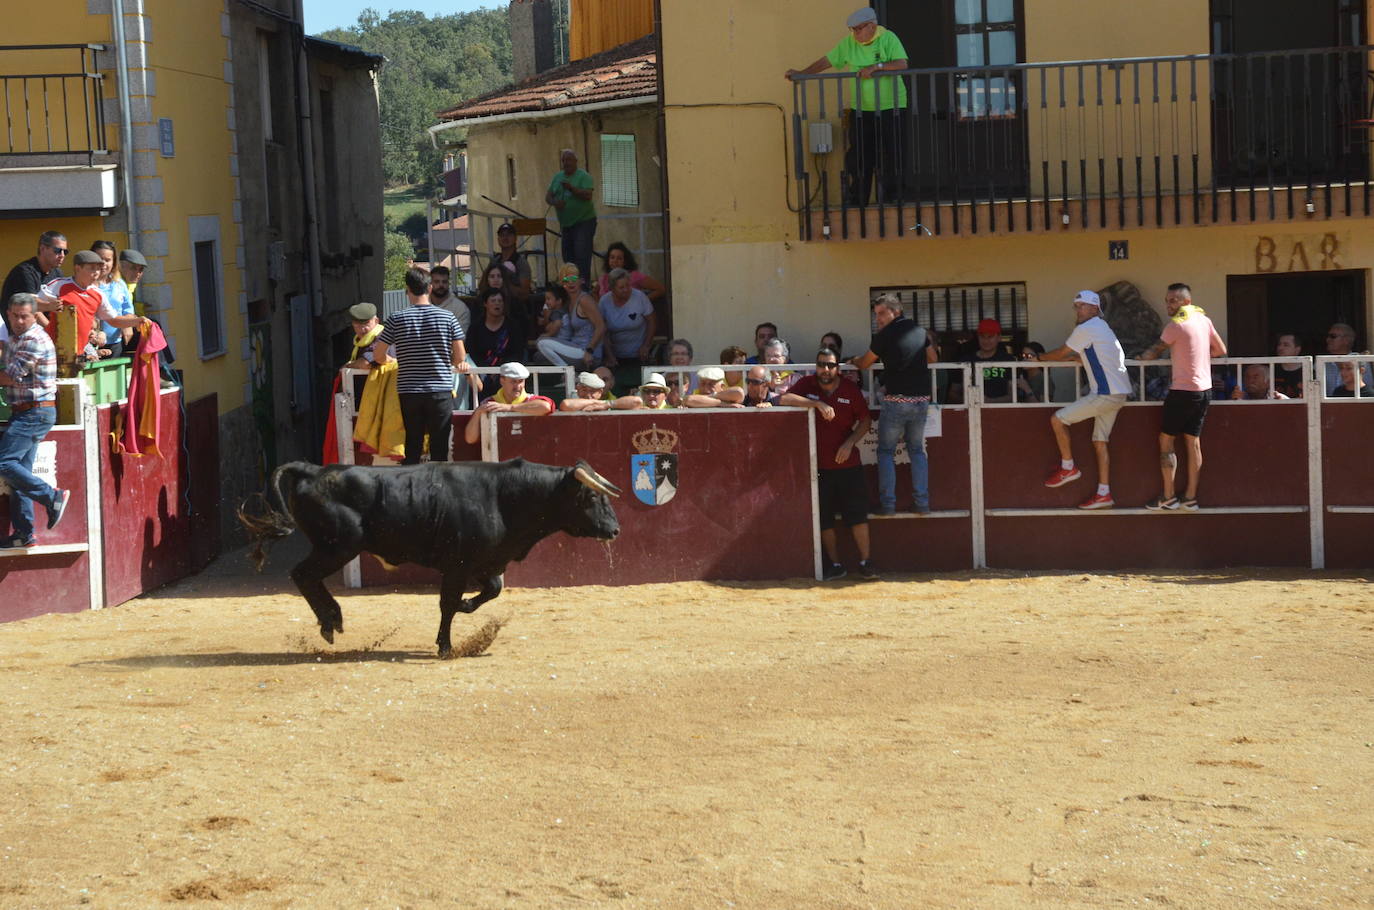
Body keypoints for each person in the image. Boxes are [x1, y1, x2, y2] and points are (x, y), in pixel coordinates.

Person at [785, 7, 908, 206]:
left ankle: (894, 198)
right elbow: (827, 61)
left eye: (859, 29)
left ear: (872, 25)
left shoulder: (888, 38)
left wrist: (877, 67)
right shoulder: (849, 43)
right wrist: (802, 73)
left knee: (892, 153)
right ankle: (858, 199)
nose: (856, 34)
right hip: (861, 109)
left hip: (891, 107)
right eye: (853, 30)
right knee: (858, 155)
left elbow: (901, 64)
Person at [780, 347, 877, 580]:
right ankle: (835, 565)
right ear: (816, 366)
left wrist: (850, 442)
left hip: (848, 465)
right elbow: (784, 398)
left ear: (838, 368)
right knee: (824, 519)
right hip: (819, 468)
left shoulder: (849, 390)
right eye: (822, 364)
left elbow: (865, 421)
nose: (826, 369)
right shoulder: (807, 384)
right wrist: (816, 405)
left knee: (857, 515)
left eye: (831, 365)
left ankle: (866, 562)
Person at [1037, 290, 1132, 510]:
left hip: (1105, 393)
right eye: (1077, 305)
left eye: (1083, 305)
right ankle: (1104, 493)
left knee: (1058, 420)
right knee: (1099, 442)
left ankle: (1068, 467)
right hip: (1119, 394)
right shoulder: (1102, 328)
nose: (1078, 309)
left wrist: (1039, 359)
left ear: (1095, 309)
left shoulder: (1087, 328)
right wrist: (1068, 359)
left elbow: (1061, 352)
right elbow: (1084, 356)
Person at [1139, 283, 1226, 512]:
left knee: (1166, 441)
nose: (1169, 305)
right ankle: (1190, 498)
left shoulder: (1175, 325)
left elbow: (1153, 353)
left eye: (1173, 301)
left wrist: (1141, 357)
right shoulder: (1204, 321)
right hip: (1204, 391)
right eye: (1167, 300)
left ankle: (1168, 497)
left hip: (1182, 392)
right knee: (1193, 442)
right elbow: (1220, 351)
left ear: (1186, 302)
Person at [373, 266, 470, 465]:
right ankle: (437, 489)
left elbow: (378, 355)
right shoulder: (448, 317)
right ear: (430, 287)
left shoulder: (396, 318)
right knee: (439, 447)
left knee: (413, 444)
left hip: (409, 391)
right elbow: (460, 357)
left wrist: (390, 361)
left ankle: (412, 489)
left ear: (407, 290)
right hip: (440, 390)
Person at [850, 294, 936, 515]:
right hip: (921, 400)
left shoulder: (884, 335)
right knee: (917, 450)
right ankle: (922, 503)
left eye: (881, 313)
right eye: (876, 314)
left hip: (897, 400)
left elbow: (866, 364)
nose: (877, 319)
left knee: (886, 451)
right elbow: (933, 358)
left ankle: (888, 505)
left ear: (895, 311)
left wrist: (854, 361)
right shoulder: (919, 331)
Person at [0, 294, 70, 548]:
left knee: (4, 462)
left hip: (35, 412)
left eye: (25, 316)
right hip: (27, 411)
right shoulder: (16, 338)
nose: (19, 321)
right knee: (18, 472)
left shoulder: (33, 338)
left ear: (34, 316)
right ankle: (24, 533)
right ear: (8, 313)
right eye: (15, 316)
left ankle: (52, 497)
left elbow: (10, 377)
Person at [36, 250, 146, 357]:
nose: (97, 272)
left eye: (98, 268)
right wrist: (47, 306)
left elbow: (113, 320)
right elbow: (30, 303)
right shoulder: (59, 285)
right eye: (92, 268)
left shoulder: (97, 293)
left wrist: (137, 321)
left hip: (81, 353)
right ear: (78, 268)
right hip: (54, 350)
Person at [462, 361, 554, 444]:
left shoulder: (532, 400)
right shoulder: (489, 402)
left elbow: (546, 407)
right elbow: (470, 439)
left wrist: (509, 408)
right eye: (513, 382)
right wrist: (478, 413)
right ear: (502, 380)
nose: (518, 386)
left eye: (521, 381)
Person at [535, 264, 606, 370]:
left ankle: (567, 375)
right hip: (575, 346)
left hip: (588, 351)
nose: (570, 283)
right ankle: (566, 374)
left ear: (581, 280)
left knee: (541, 343)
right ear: (562, 284)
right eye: (566, 280)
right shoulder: (570, 302)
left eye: (573, 278)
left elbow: (601, 327)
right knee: (539, 356)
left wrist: (589, 350)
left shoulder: (584, 299)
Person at [599, 267, 656, 389]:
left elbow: (651, 322)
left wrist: (646, 346)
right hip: (615, 356)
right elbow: (601, 331)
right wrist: (609, 355)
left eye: (628, 286)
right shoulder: (604, 302)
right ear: (612, 288)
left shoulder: (640, 297)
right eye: (621, 287)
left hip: (639, 355)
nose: (626, 290)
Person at [545, 148, 597, 284]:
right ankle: (571, 287)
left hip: (583, 222)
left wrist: (571, 189)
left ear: (575, 161)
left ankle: (583, 288)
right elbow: (548, 196)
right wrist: (555, 202)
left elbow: (588, 195)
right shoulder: (557, 177)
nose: (566, 163)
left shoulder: (583, 176)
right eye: (563, 160)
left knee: (582, 256)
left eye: (569, 160)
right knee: (568, 258)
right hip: (566, 224)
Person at [466, 287, 527, 398]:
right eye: (493, 301)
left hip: (507, 373)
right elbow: (471, 352)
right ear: (485, 304)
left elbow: (517, 352)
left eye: (500, 301)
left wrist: (500, 369)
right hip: (480, 374)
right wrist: (486, 370)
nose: (497, 304)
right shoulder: (475, 327)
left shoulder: (513, 326)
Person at [1, 230, 66, 332]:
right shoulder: (24, 272)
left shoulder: (57, 273)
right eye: (57, 250)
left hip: (40, 331)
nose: (62, 255)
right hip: (17, 334)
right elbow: (31, 305)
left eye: (65, 252)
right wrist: (53, 333)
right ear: (43, 248)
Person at [90, 241, 135, 356]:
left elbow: (128, 311)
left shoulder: (119, 284)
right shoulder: (85, 284)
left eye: (108, 260)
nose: (103, 263)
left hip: (115, 343)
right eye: (100, 259)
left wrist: (127, 324)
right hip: (91, 345)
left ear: (114, 262)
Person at [958, 318, 1013, 403]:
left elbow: (1013, 395)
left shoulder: (1008, 360)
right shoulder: (966, 361)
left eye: (990, 336)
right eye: (982, 336)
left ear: (999, 337)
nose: (986, 340)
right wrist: (970, 401)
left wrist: (989, 401)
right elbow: (953, 392)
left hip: (1002, 412)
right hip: (972, 412)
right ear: (978, 337)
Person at [596, 242, 665, 301]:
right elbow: (597, 298)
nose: (615, 261)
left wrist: (642, 302)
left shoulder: (634, 276)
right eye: (612, 257)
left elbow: (660, 289)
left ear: (625, 261)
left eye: (619, 258)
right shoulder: (603, 279)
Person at [1322, 322, 1373, 393]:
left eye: (1333, 336)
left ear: (1346, 340)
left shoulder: (1360, 361)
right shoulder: (1321, 363)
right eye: (1328, 336)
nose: (1328, 340)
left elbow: (1367, 389)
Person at [488, 222, 533, 300]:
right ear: (498, 239)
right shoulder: (494, 261)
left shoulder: (521, 263)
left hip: (515, 305)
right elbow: (483, 284)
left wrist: (504, 285)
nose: (505, 238)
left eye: (509, 235)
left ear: (515, 238)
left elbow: (525, 293)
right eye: (502, 235)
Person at [429, 265, 470, 337]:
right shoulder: (423, 305)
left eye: (444, 282)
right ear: (430, 284)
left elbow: (461, 339)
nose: (441, 285)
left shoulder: (460, 308)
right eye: (436, 282)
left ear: (448, 283)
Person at [1273, 332, 1305, 399]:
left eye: (1286, 345)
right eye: (1279, 344)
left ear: (1297, 350)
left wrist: (1286, 400)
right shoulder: (1272, 369)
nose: (1280, 348)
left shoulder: (1308, 370)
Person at [664, 338, 693, 406]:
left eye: (683, 354)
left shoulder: (698, 378)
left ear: (690, 358)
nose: (679, 357)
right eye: (675, 354)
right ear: (669, 358)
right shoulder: (661, 378)